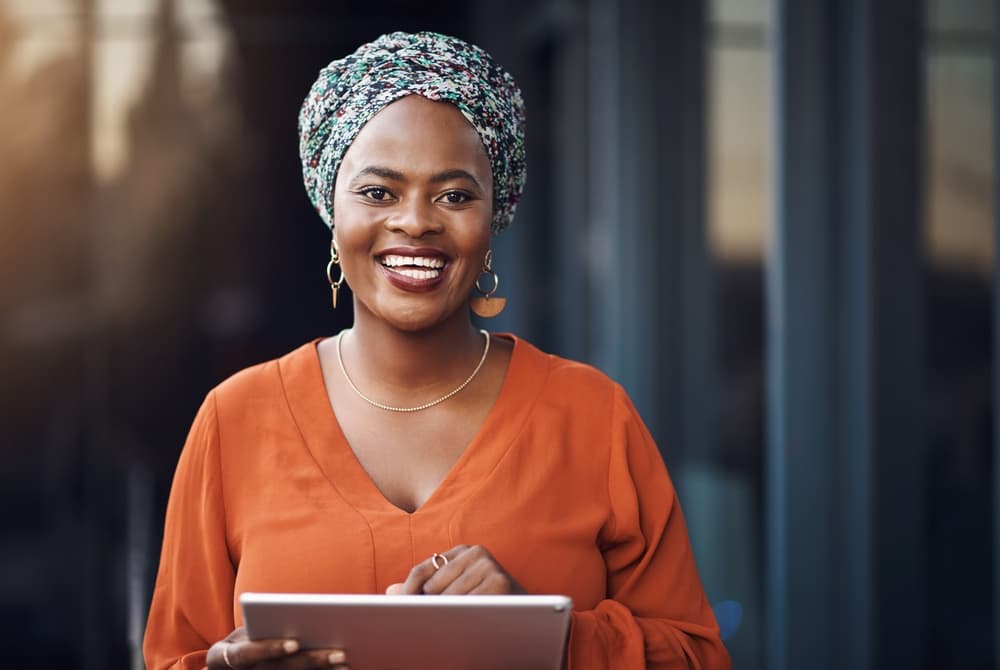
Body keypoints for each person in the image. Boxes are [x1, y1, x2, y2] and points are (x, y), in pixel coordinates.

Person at [143, 31, 731, 670]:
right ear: (329, 210)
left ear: (495, 215)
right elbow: (176, 655)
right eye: (378, 192)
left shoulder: (592, 417)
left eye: (454, 195)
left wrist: (547, 639)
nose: (416, 221)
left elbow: (698, 656)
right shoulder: (235, 420)